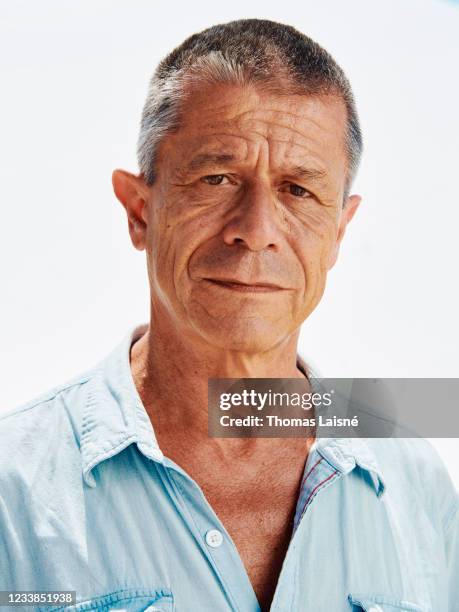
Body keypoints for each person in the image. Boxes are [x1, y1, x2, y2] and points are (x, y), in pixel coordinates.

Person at [0, 18, 457, 612]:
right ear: (140, 211)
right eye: (217, 179)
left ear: (339, 232)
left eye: (299, 191)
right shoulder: (15, 488)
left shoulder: (415, 481)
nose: (257, 231)